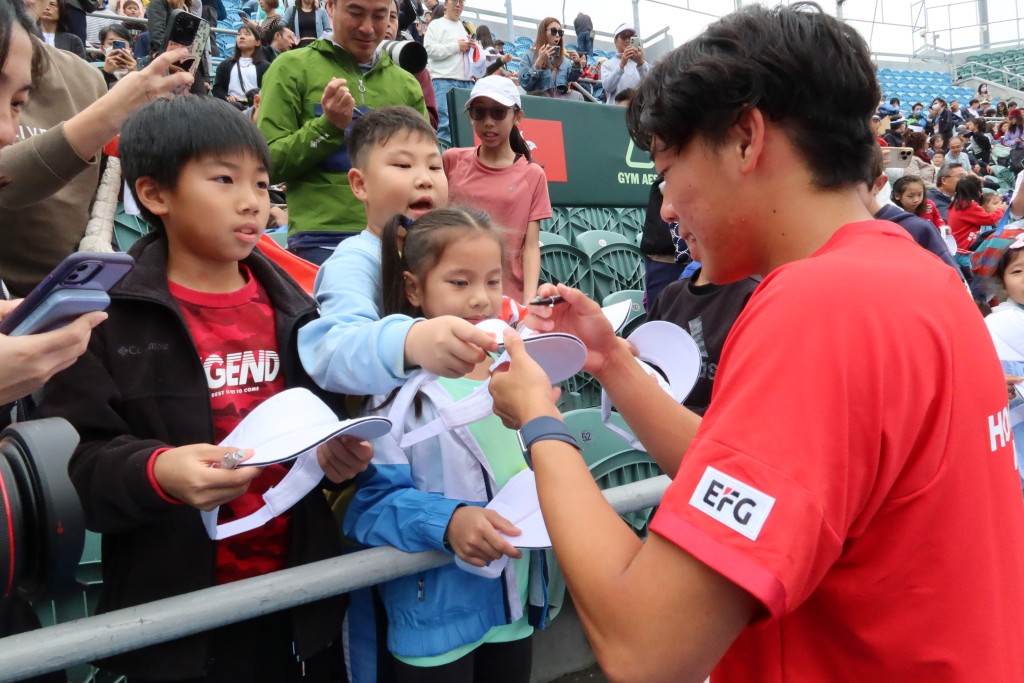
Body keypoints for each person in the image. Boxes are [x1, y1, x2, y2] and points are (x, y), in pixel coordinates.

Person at [487, 4, 1024, 681]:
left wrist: (540, 418)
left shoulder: (818, 306)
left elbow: (644, 645)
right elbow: (767, 478)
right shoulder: (920, 277)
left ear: (745, 137)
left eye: (667, 170)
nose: (670, 210)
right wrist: (613, 361)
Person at [35, 95, 375, 682]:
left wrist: (335, 458)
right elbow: (76, 469)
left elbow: (319, 433)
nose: (253, 200)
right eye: (224, 179)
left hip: (299, 611)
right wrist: (159, 472)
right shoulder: (100, 320)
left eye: (263, 184)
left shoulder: (302, 313)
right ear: (155, 194)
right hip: (174, 624)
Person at [345, 206, 543, 683]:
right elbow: (369, 505)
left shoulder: (518, 371)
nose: (481, 299)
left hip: (511, 604)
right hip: (430, 619)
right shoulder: (390, 392)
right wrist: (449, 522)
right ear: (414, 289)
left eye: (493, 282)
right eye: (459, 282)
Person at [298, 106, 497, 396]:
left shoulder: (451, 250)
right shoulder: (355, 260)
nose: (424, 179)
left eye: (434, 166)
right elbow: (331, 351)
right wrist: (410, 342)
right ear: (359, 184)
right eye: (403, 166)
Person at [0, 0, 193, 297]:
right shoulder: (110, 102)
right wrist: (110, 112)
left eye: (17, 103)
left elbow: (113, 187)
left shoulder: (85, 77)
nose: (7, 131)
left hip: (76, 301)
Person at [257, 0, 428, 265]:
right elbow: (268, 164)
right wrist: (328, 127)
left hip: (397, 242)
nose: (368, 28)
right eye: (355, 13)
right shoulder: (289, 68)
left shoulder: (406, 85)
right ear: (330, 7)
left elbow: (424, 169)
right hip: (321, 241)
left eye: (380, 16)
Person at [443, 76, 551, 303]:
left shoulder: (533, 175)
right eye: (479, 112)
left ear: (517, 117)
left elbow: (530, 248)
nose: (488, 122)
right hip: (452, 293)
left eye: (499, 112)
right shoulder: (451, 160)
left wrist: (529, 303)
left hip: (507, 298)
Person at [646, 232, 758, 416]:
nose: (669, 213)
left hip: (719, 436)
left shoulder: (755, 296)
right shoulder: (671, 295)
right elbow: (646, 370)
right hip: (661, 433)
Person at [423, 0, 474, 145]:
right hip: (443, 80)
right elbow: (428, 50)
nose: (458, 5)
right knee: (444, 127)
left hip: (466, 82)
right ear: (446, 4)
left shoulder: (465, 27)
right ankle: (444, 164)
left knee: (467, 128)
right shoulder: (436, 24)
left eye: (461, 2)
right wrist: (456, 46)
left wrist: (471, 47)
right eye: (454, 1)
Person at [148, 0, 209, 96]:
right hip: (167, 62)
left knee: (199, 104)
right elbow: (157, 34)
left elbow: (197, 44)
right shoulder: (159, 2)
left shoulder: (188, 6)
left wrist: (205, 77)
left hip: (189, 63)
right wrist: (171, 58)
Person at [518, 17, 582, 100]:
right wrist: (538, 64)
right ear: (543, 32)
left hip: (558, 107)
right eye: (553, 31)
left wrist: (576, 63)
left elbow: (573, 78)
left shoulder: (564, 59)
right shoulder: (530, 55)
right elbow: (525, 83)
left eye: (560, 32)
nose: (558, 35)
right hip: (538, 107)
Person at [212, 24, 268, 106]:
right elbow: (217, 89)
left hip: (255, 107)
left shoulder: (265, 66)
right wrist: (227, 97)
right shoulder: (225, 65)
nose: (241, 37)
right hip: (231, 107)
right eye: (239, 34)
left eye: (247, 34)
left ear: (257, 42)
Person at [947, 174, 1005, 253]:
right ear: (976, 191)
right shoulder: (969, 205)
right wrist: (1001, 209)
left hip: (956, 247)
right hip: (964, 250)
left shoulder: (956, 203)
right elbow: (989, 219)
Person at [601, 23, 648, 106]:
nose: (627, 40)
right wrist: (622, 65)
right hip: (615, 112)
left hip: (636, 112)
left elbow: (649, 87)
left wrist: (640, 63)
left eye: (631, 37)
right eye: (623, 37)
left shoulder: (641, 63)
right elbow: (608, 87)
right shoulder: (607, 64)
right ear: (615, 41)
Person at [98, 22, 139, 89]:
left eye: (121, 43)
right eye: (111, 43)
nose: (116, 49)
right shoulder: (95, 71)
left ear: (130, 49)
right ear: (103, 49)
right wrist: (106, 73)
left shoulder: (140, 69)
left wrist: (134, 75)